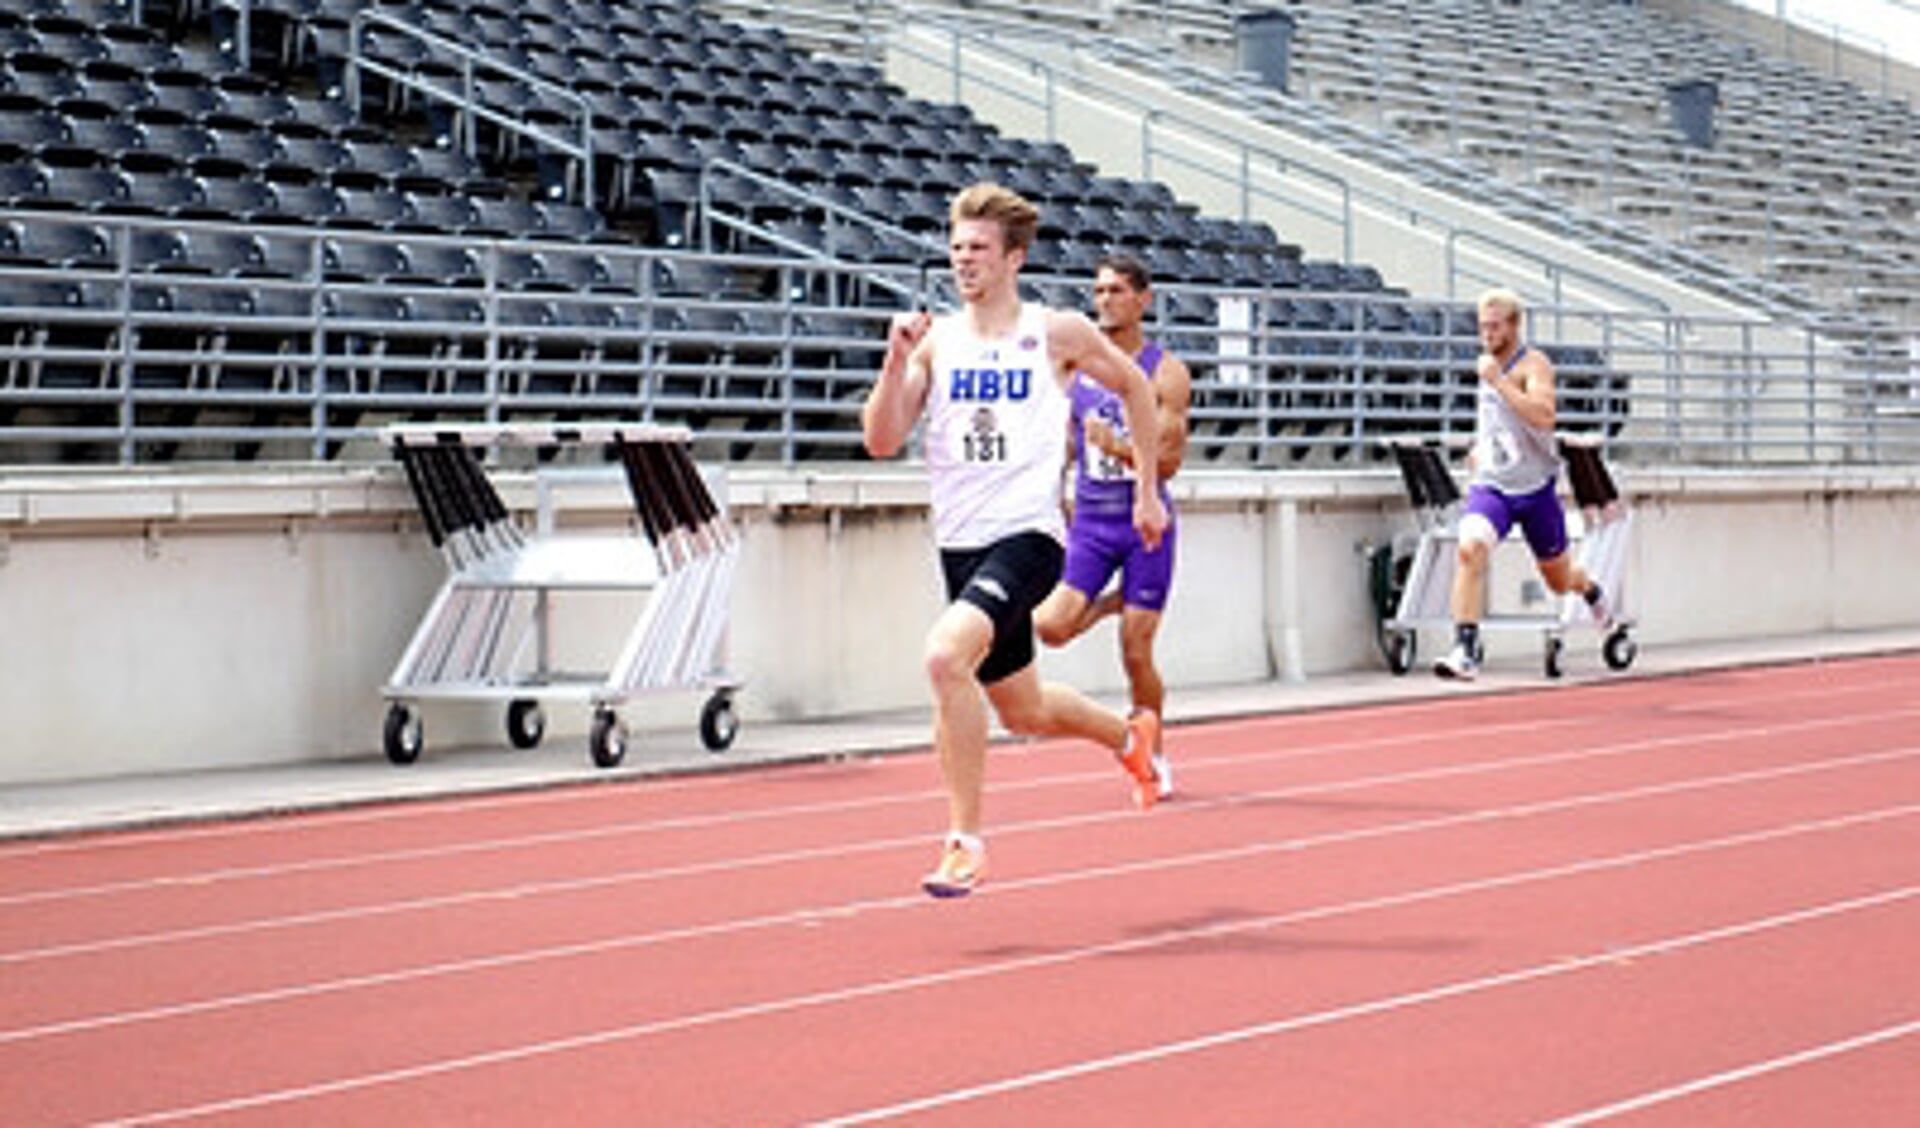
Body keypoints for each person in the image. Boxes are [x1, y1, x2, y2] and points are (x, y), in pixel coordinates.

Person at [863, 183, 1170, 898]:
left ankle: (964, 843)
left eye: (978, 249)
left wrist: (1148, 490)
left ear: (1014, 259)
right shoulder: (936, 341)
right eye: (956, 248)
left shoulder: (1054, 331)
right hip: (962, 543)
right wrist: (892, 361)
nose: (964, 260)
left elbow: (1136, 389)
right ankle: (1132, 739)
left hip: (1030, 536)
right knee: (1021, 708)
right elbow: (881, 441)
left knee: (944, 659)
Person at [1033, 254, 1191, 799]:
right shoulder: (1076, 370)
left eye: (1117, 291)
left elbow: (1169, 463)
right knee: (1051, 627)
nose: (1104, 300)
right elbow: (1063, 447)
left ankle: (1155, 751)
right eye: (1098, 290)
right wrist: (1055, 501)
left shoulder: (1164, 372)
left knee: (1136, 649)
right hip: (1092, 521)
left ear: (1143, 299)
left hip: (1144, 521)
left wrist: (1119, 447)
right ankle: (1113, 601)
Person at [1434, 288, 1611, 680]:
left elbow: (1543, 416)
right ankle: (1466, 647)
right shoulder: (1485, 365)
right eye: (1482, 327)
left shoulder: (1534, 365)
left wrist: (1500, 381)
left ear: (1514, 326)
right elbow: (1495, 422)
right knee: (1469, 549)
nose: (1486, 335)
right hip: (1493, 486)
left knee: (1559, 579)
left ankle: (1591, 590)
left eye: (1494, 327)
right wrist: (1483, 447)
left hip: (1535, 491)